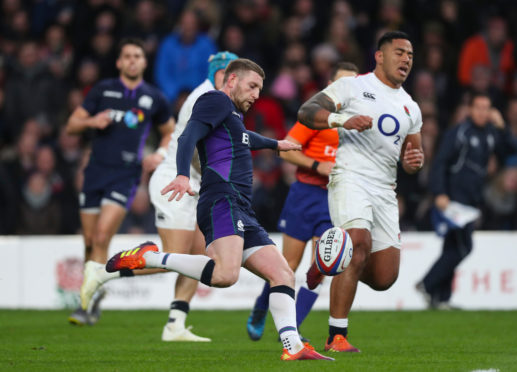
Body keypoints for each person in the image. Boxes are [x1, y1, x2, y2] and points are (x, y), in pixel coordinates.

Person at [106, 58, 333, 361]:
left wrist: (275, 144)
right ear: (230, 81)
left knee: (282, 273)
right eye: (251, 86)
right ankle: (148, 257)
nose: (256, 94)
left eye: (259, 89)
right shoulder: (214, 100)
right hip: (220, 199)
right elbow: (188, 135)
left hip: (241, 207)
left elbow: (244, 139)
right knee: (226, 275)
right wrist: (183, 174)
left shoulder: (232, 116)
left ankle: (293, 346)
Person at [297, 31, 424, 352]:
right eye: (399, 52)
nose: (406, 59)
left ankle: (327, 263)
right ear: (379, 56)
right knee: (358, 243)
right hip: (350, 177)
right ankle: (336, 335)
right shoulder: (354, 86)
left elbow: (412, 159)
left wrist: (414, 162)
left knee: (384, 278)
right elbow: (307, 112)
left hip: (384, 189)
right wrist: (342, 119)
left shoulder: (411, 107)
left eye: (410, 54)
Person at [246, 61, 359, 342]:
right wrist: (318, 165)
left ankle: (291, 331)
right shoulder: (317, 117)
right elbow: (286, 151)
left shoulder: (359, 123)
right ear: (330, 86)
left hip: (334, 200)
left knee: (319, 269)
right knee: (286, 267)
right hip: (305, 195)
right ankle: (260, 310)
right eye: (341, 83)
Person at [66, 38, 174, 325]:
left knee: (102, 236)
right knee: (89, 241)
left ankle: (86, 303)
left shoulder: (154, 97)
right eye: (126, 56)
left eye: (137, 55)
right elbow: (71, 124)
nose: (132, 60)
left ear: (144, 62)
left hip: (125, 175)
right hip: (95, 172)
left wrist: (160, 153)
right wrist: (91, 122)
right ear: (119, 62)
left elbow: (170, 131)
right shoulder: (103, 91)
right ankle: (95, 290)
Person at [417, 93, 517, 309]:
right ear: (470, 109)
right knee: (464, 247)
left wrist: (502, 127)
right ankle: (427, 283)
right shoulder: (459, 133)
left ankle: (440, 298)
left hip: (472, 199)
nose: (482, 112)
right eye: (478, 107)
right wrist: (439, 193)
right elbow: (440, 163)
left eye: (486, 108)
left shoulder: (491, 133)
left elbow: (511, 149)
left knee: (451, 247)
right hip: (454, 199)